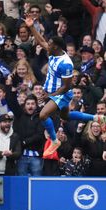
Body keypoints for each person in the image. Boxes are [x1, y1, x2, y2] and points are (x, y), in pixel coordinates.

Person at [24, 14, 105, 157]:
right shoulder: (52, 52)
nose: (46, 45)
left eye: (50, 44)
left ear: (56, 47)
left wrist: (50, 96)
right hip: (55, 92)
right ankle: (96, 118)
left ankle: (54, 141)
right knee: (66, 116)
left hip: (61, 93)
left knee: (43, 115)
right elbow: (41, 40)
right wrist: (31, 27)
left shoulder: (66, 63)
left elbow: (67, 86)